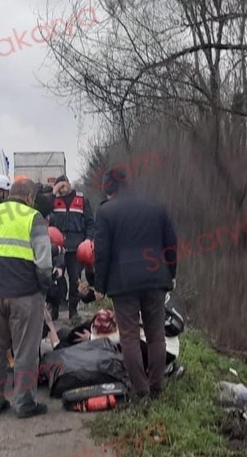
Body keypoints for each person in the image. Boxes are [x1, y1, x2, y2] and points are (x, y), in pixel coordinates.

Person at [0, 179, 53, 418]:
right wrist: (43, 287)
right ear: (29, 198)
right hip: (25, 294)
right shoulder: (32, 217)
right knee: (25, 350)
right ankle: (24, 404)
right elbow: (44, 261)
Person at [93, 167, 177, 400]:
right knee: (156, 334)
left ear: (110, 188)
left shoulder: (106, 212)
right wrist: (171, 273)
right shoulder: (157, 206)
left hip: (123, 282)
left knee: (129, 336)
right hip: (156, 278)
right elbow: (171, 243)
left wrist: (99, 285)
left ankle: (140, 389)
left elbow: (102, 252)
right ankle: (157, 386)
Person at [50, 175, 95, 323]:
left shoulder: (81, 200)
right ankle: (55, 308)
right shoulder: (54, 201)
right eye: (59, 187)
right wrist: (53, 191)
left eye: (63, 186)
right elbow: (44, 210)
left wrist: (88, 240)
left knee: (75, 278)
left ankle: (73, 311)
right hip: (59, 247)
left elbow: (90, 223)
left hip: (77, 246)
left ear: (69, 184)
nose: (61, 190)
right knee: (57, 278)